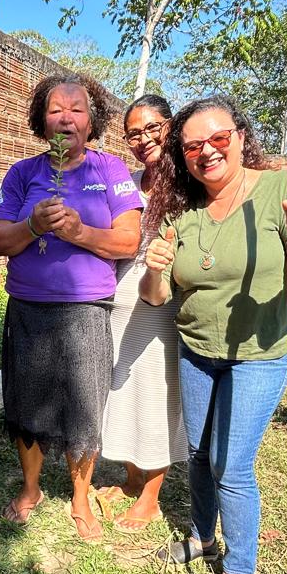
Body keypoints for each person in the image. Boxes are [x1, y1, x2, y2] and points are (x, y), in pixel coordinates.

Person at [139, 94, 287, 574]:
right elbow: (156, 297)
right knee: (199, 453)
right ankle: (204, 537)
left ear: (241, 138)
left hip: (260, 354)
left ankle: (239, 570)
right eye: (191, 147)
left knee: (231, 463)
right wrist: (155, 269)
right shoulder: (183, 213)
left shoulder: (280, 191)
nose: (206, 152)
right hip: (197, 349)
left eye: (218, 139)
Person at [0, 72, 142, 542]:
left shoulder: (109, 171)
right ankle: (31, 488)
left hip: (86, 310)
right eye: (56, 109)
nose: (66, 117)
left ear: (90, 121)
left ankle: (80, 497)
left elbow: (129, 240)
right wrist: (33, 225)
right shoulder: (22, 173)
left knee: (83, 408)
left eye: (76, 110)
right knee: (26, 404)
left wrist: (79, 232)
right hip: (28, 308)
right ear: (42, 120)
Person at [98, 94, 189, 530]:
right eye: (133, 133)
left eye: (153, 128)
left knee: (157, 394)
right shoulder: (130, 180)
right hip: (120, 301)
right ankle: (133, 478)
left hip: (163, 305)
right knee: (124, 389)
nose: (143, 139)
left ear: (171, 126)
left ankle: (152, 494)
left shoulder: (188, 185)